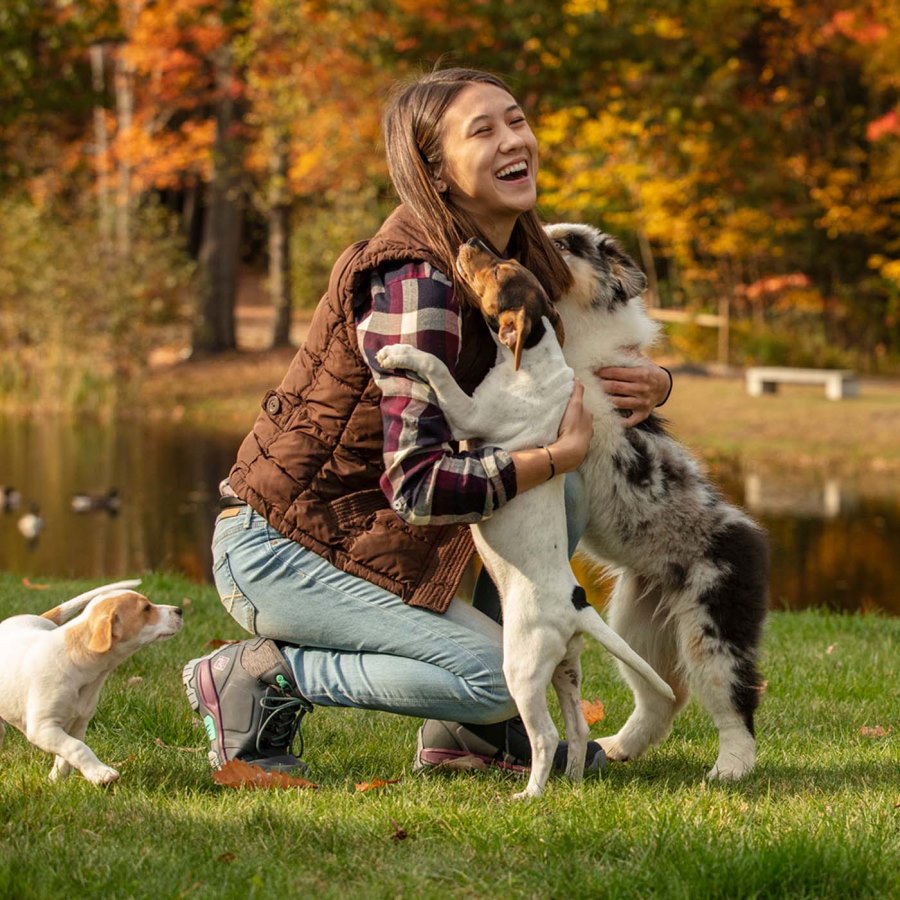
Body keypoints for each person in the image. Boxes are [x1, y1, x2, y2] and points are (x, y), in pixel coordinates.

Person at [182, 67, 672, 776]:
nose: (515, 139)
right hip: (283, 552)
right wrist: (554, 459)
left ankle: (469, 738)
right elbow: (417, 485)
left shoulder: (515, 255)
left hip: (379, 536)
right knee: (489, 675)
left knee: (556, 493)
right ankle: (253, 677)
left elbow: (561, 376)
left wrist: (656, 381)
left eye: (516, 119)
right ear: (436, 173)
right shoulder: (420, 284)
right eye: (484, 130)